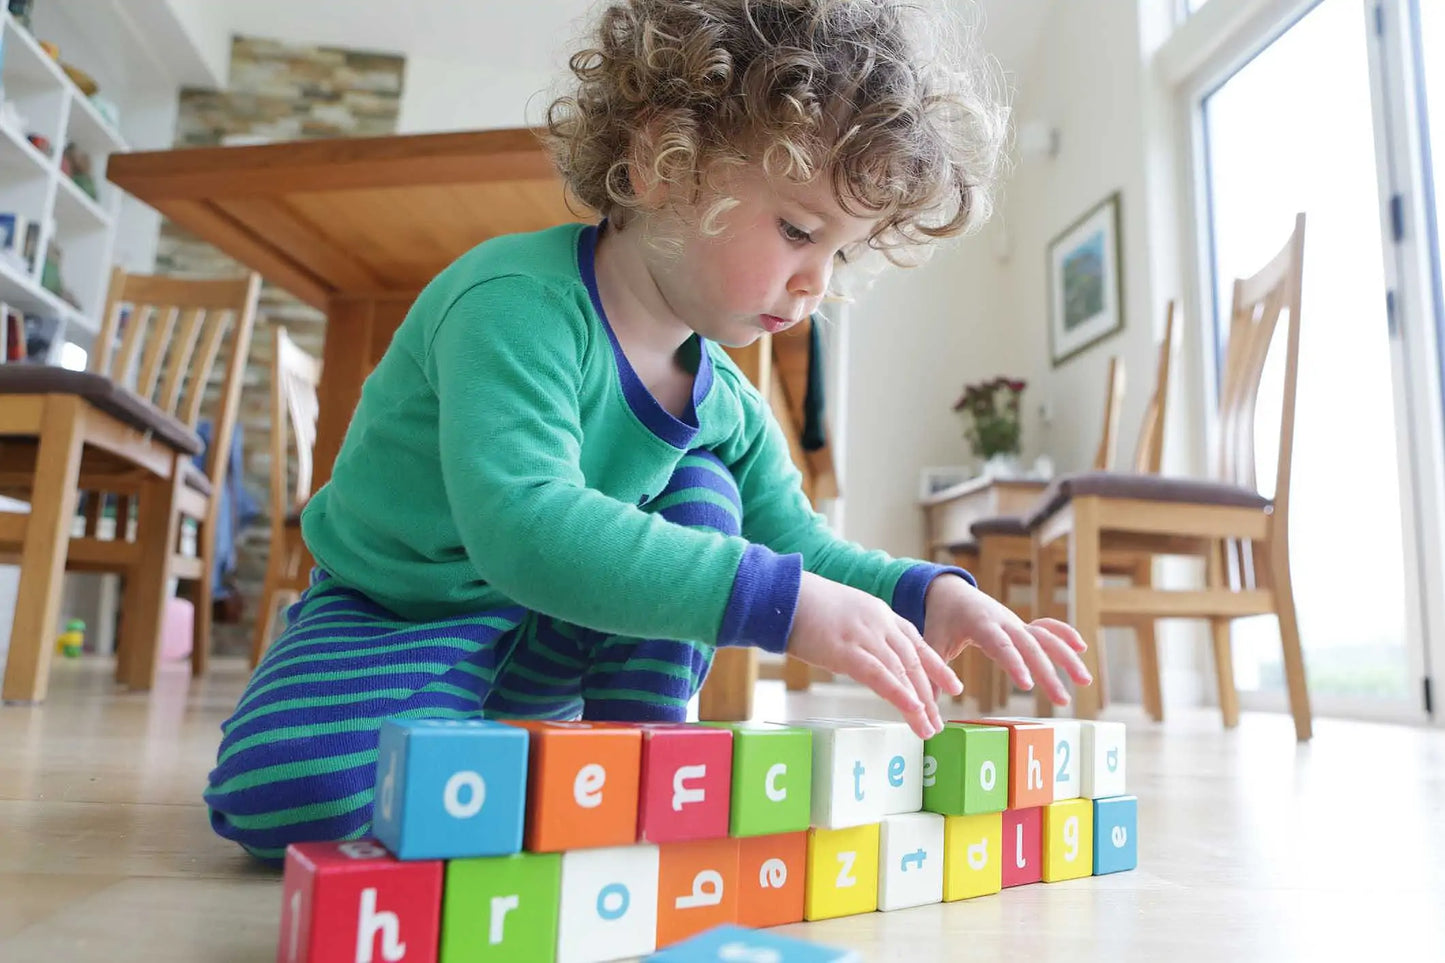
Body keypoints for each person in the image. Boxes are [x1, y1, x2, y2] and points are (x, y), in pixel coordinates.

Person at [205, 0, 1093, 864]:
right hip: (396, 610)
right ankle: (485, 739)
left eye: (841, 252)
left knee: (705, 488)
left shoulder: (729, 402)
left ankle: (626, 752)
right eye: (796, 230)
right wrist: (783, 606)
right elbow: (523, 529)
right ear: (664, 161)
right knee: (287, 799)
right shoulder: (513, 303)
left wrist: (929, 594)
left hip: (556, 630)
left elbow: (795, 544)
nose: (815, 283)